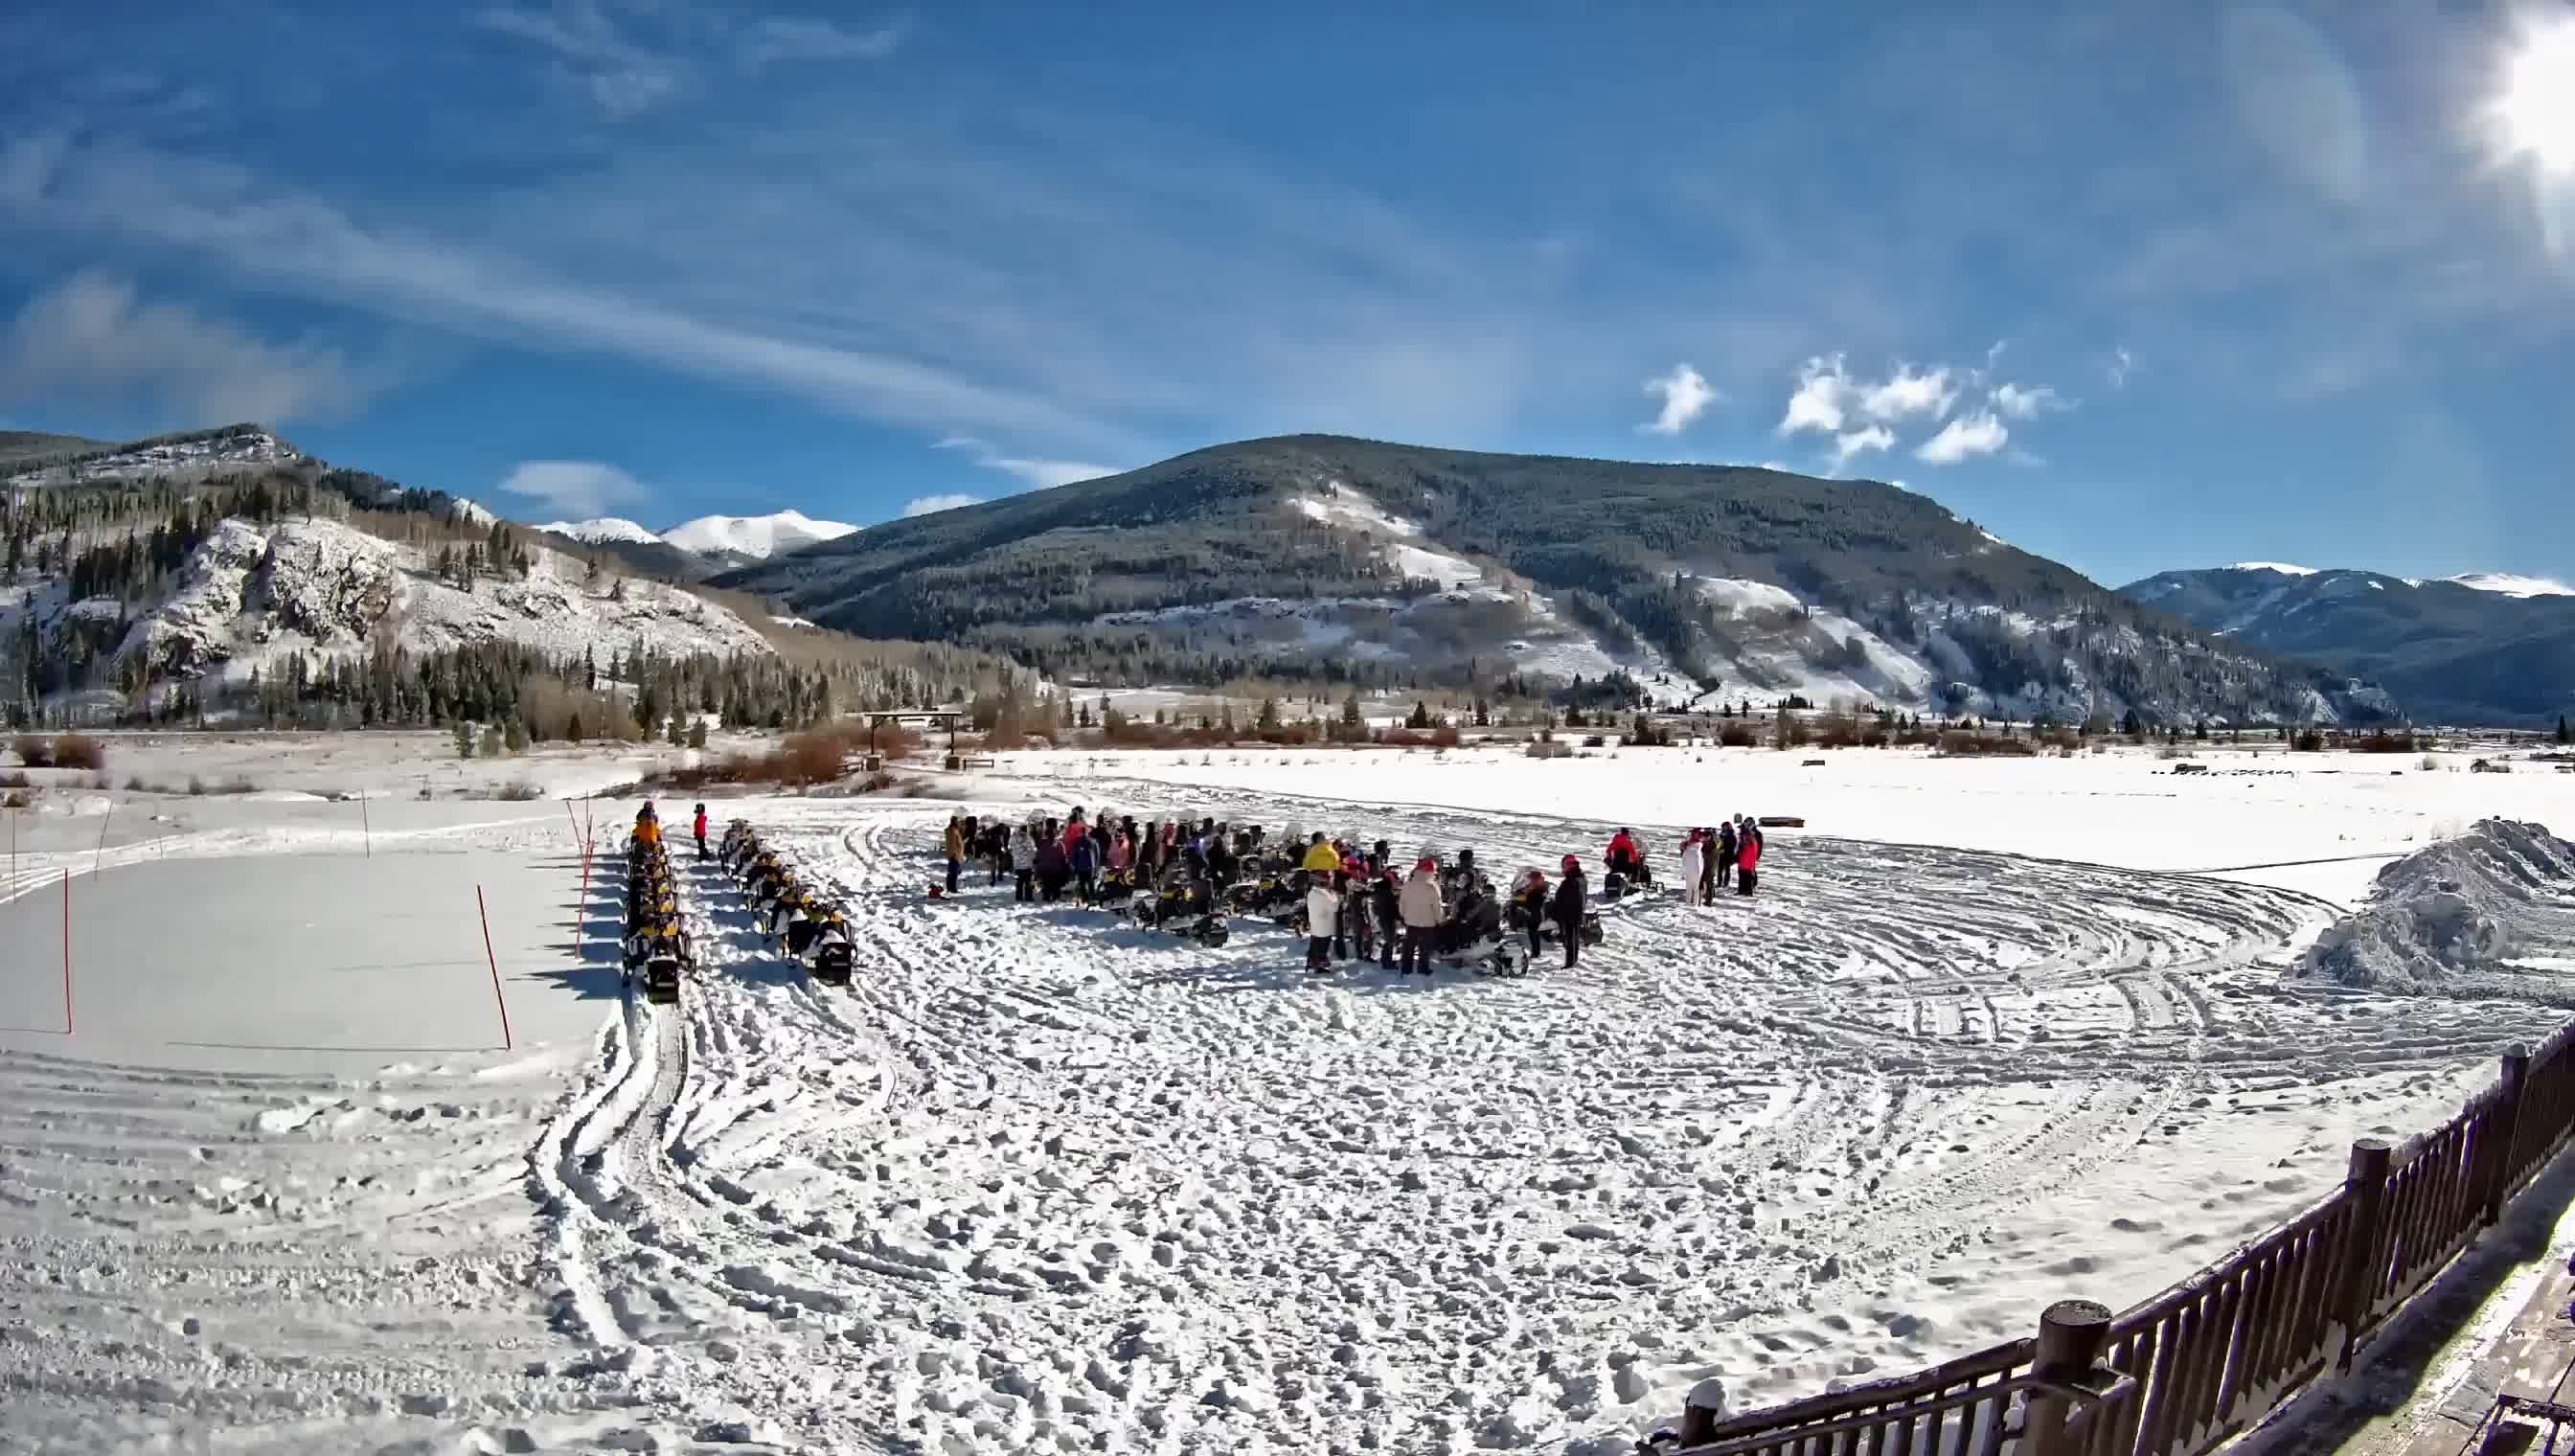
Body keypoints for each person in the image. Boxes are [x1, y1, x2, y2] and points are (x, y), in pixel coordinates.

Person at [1399, 856, 1444, 975]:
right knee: (1425, 949)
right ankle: (1423, 969)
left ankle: (1406, 968)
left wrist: (1404, 916)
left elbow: (1402, 903)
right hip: (1427, 923)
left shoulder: (1408, 885)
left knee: (1409, 947)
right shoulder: (1433, 887)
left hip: (1411, 922)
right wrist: (1439, 920)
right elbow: (1437, 907)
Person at [1552, 855, 1588, 967]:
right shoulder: (1581, 878)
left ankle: (1570, 963)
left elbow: (1565, 898)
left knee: (1570, 939)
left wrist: (1559, 911)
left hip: (1569, 913)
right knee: (1574, 938)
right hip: (1577, 912)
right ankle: (1573, 960)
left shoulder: (1571, 881)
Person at [1304, 875, 1339, 972]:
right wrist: (1334, 895)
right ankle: (1319, 966)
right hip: (1325, 925)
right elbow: (1334, 907)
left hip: (1315, 923)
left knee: (1314, 944)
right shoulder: (1324, 894)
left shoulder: (1312, 892)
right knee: (1322, 947)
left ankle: (1311, 963)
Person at [1372, 869, 1402, 969]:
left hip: (1383, 917)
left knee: (1389, 940)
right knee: (1390, 940)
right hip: (1387, 918)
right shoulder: (1386, 893)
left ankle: (1386, 960)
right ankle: (1386, 962)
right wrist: (1400, 917)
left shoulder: (1381, 890)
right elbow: (1392, 908)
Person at [1678, 830, 1706, 906]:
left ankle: (1695, 903)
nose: (1693, 835)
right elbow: (1684, 857)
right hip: (1689, 869)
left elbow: (1699, 859)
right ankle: (1688, 902)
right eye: (1693, 833)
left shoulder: (1698, 845)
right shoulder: (1687, 845)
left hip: (1697, 870)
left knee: (1696, 887)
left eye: (1695, 833)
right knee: (1688, 887)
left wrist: (1687, 845)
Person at [1738, 820, 1764, 897]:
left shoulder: (1753, 837)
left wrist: (1757, 856)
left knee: (1748, 875)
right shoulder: (1745, 837)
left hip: (1749, 860)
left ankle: (1749, 891)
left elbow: (1756, 847)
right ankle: (1742, 891)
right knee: (1743, 875)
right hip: (1744, 860)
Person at [943, 814, 968, 895]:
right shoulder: (953, 831)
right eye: (958, 821)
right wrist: (954, 854)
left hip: (956, 854)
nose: (959, 823)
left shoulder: (955, 830)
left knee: (954, 872)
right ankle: (952, 889)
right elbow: (952, 843)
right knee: (954, 873)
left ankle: (951, 888)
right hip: (954, 855)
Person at [1011, 826, 1037, 902]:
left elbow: (1011, 849)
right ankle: (1028, 896)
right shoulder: (1030, 839)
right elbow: (1033, 850)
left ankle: (1018, 896)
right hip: (1028, 865)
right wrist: (1033, 859)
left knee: (1019, 882)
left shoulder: (1014, 838)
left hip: (1017, 865)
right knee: (1028, 882)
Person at [1715, 821, 1739, 891]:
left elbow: (1733, 846)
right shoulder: (1721, 835)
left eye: (1725, 826)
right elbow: (1719, 844)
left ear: (1728, 827)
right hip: (1721, 854)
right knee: (1720, 869)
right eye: (1723, 827)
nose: (1724, 828)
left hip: (1729, 855)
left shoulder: (1732, 835)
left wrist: (1725, 849)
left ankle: (1726, 883)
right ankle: (1719, 883)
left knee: (1727, 870)